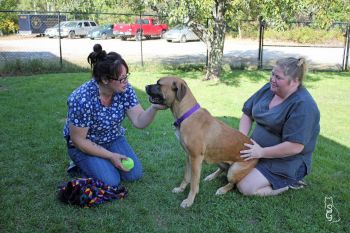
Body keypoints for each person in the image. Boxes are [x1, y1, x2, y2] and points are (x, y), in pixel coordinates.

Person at [63, 44, 166, 186]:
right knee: (111, 181)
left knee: (134, 174)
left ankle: (101, 164)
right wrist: (111, 156)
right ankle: (78, 165)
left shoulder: (125, 90)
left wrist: (154, 107)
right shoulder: (81, 99)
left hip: (113, 138)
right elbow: (78, 140)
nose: (126, 82)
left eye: (126, 76)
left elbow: (139, 121)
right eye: (122, 79)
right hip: (84, 145)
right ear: (105, 79)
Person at [237, 57, 320, 196]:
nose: (272, 79)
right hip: (255, 149)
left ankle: (288, 184)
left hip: (287, 160)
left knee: (246, 187)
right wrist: (242, 139)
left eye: (278, 77)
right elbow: (247, 113)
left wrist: (262, 152)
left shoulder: (304, 105)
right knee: (228, 167)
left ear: (295, 81)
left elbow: (295, 146)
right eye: (272, 74)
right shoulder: (269, 89)